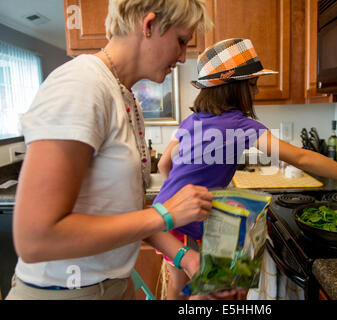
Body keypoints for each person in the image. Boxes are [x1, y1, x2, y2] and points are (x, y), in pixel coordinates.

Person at [6, 0, 214, 300]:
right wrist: (165, 214)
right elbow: (35, 239)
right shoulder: (81, 85)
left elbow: (123, 211)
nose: (183, 56)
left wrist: (185, 257)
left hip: (113, 286)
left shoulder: (123, 94)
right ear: (149, 25)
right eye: (181, 41)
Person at [154, 38, 337, 299]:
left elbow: (165, 164)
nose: (257, 92)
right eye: (252, 84)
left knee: (177, 284)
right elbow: (300, 157)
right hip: (191, 217)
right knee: (209, 290)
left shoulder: (191, 119)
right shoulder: (239, 125)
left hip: (165, 215)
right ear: (233, 88)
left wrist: (176, 192)